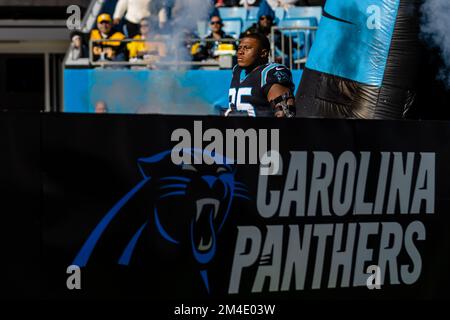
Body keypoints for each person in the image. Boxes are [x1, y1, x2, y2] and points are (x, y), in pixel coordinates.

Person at [224, 33, 295, 117]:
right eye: (239, 48)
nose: (240, 52)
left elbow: (285, 113)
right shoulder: (237, 70)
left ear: (263, 53)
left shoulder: (269, 73)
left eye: (247, 48)